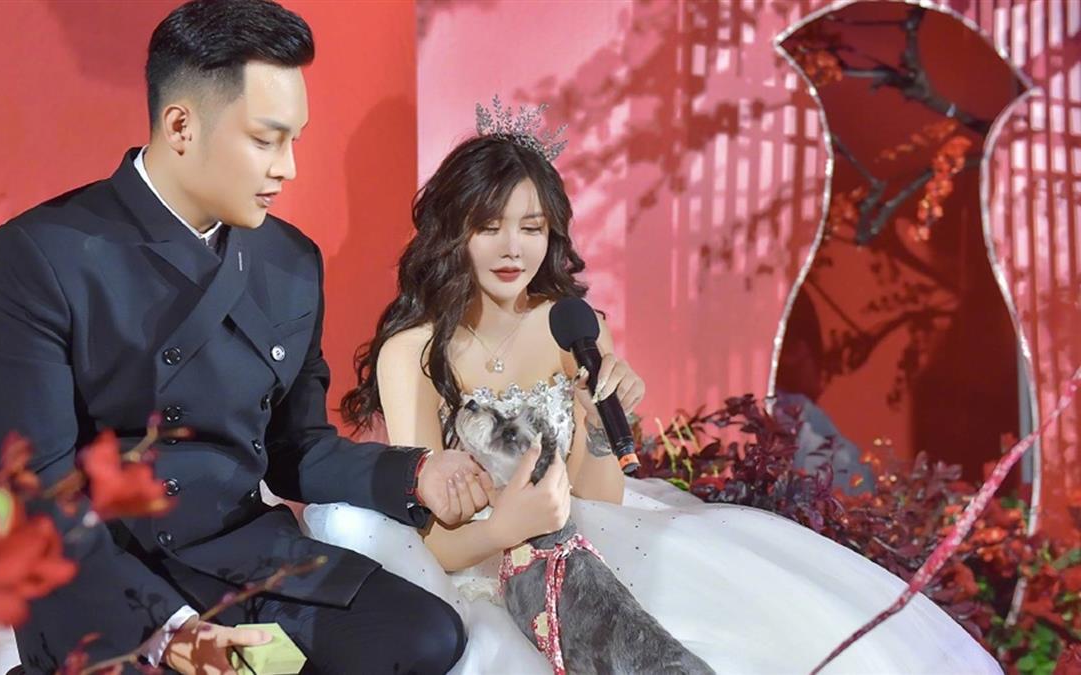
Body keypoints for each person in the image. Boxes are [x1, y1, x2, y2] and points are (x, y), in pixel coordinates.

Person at [303, 100, 1003, 674]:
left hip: (596, 537)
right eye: (489, 227)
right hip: (469, 568)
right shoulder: (414, 350)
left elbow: (603, 498)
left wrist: (596, 424)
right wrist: (507, 528)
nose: (513, 249)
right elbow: (424, 534)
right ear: (452, 233)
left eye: (531, 228)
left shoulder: (574, 325)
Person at [0, 1, 485, 672]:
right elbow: (35, 489)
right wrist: (170, 631)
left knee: (424, 636)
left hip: (244, 558)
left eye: (295, 140)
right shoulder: (44, 253)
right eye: (266, 140)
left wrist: (413, 473)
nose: (288, 167)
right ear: (180, 126)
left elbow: (295, 448)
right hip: (102, 570)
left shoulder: (291, 261)